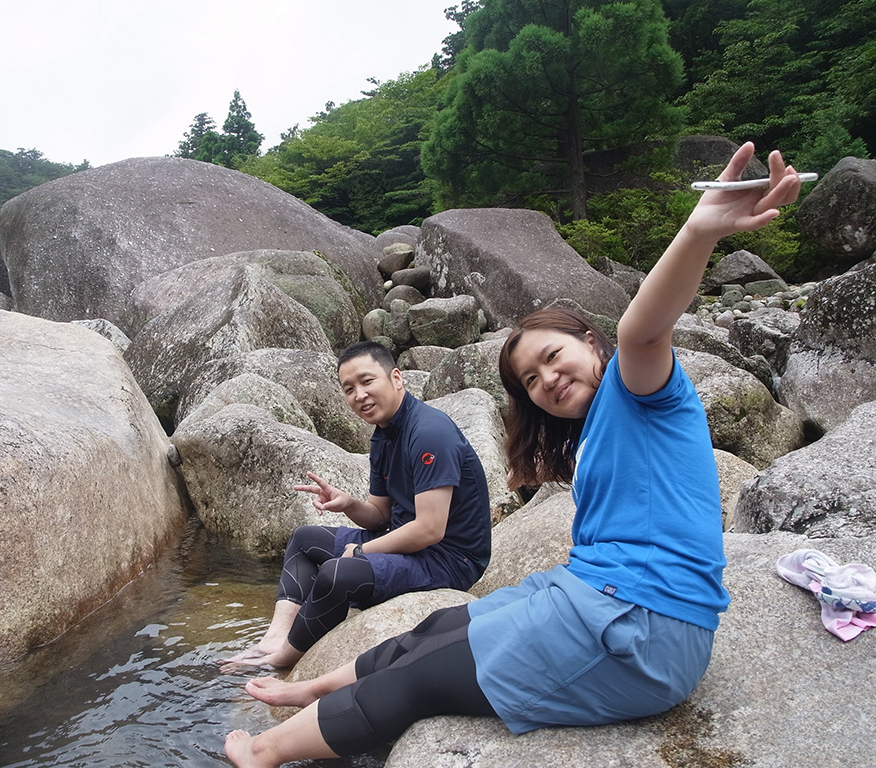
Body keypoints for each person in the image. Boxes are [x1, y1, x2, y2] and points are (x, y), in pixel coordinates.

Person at [222, 142, 803, 767]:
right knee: (438, 628)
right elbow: (385, 511)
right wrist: (351, 508)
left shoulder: (640, 393)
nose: (546, 380)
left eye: (553, 357)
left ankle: (264, 752)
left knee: (419, 680)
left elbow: (642, 331)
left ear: (590, 342)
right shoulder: (588, 426)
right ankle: (314, 687)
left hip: (641, 629)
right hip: (601, 598)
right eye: (530, 380)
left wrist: (699, 231)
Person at [220, 340, 492, 671]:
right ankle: (274, 638)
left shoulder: (429, 433)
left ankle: (282, 661)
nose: (359, 395)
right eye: (349, 389)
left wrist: (364, 552)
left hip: (449, 561)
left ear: (396, 378)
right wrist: (348, 504)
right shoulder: (383, 435)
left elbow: (429, 529)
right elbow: (379, 516)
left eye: (367, 381)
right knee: (304, 539)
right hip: (409, 546)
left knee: (338, 573)